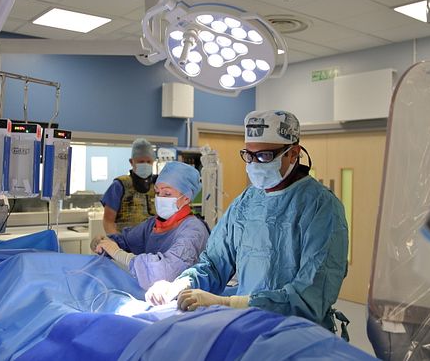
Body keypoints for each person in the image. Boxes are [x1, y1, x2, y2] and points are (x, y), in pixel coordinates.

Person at [145, 110, 350, 335]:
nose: (254, 164)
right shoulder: (246, 202)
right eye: (249, 155)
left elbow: (309, 297)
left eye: (264, 156)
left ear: (293, 154)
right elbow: (214, 264)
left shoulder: (322, 207)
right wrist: (180, 285)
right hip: (247, 328)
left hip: (297, 336)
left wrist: (228, 303)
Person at [93, 161, 210, 289]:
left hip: (186, 300)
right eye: (157, 192)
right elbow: (125, 241)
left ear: (186, 198)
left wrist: (120, 255)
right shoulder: (152, 225)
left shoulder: (194, 231)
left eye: (167, 194)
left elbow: (164, 273)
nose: (160, 198)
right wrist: (104, 243)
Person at [101, 138, 157, 234]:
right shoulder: (119, 186)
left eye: (148, 162)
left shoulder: (157, 185)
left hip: (152, 244)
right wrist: (118, 244)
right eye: (141, 161)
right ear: (131, 162)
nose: (145, 164)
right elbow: (108, 222)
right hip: (125, 244)